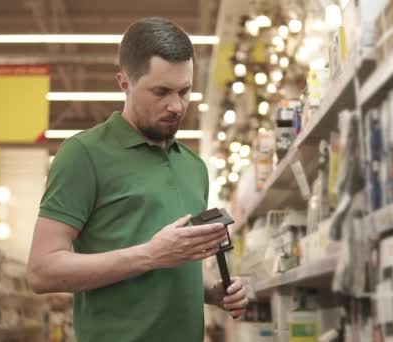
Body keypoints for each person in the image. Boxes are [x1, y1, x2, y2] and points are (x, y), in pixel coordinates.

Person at [27, 17, 248, 342]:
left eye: (184, 91)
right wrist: (150, 254)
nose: (176, 105)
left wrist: (210, 293)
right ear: (124, 83)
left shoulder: (194, 167)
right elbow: (40, 271)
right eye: (160, 91)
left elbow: (171, 264)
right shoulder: (83, 155)